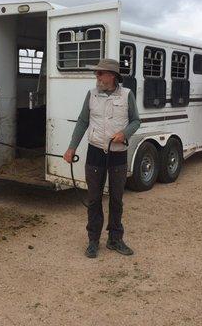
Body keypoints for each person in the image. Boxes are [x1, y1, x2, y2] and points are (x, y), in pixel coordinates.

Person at [63, 58, 140, 258]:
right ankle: (93, 240)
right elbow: (82, 121)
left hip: (118, 154)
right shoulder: (91, 94)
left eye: (100, 73)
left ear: (112, 76)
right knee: (94, 198)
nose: (96, 77)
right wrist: (71, 147)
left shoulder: (126, 95)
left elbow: (136, 121)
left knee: (116, 199)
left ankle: (115, 239)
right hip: (95, 151)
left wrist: (125, 133)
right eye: (96, 73)